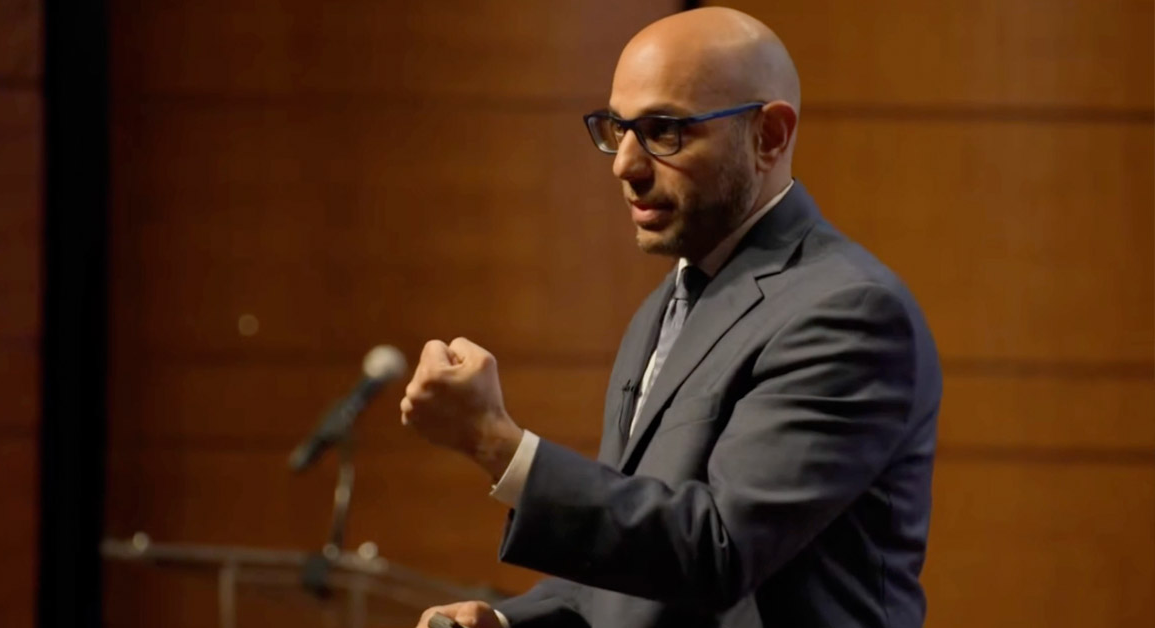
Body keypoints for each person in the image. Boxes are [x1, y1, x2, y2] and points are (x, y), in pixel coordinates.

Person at [399, 7, 941, 628]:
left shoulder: (848, 311)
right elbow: (634, 568)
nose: (624, 165)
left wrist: (495, 441)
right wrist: (508, 623)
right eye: (617, 128)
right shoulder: (673, 299)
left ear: (769, 135)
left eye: (664, 130)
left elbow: (718, 552)